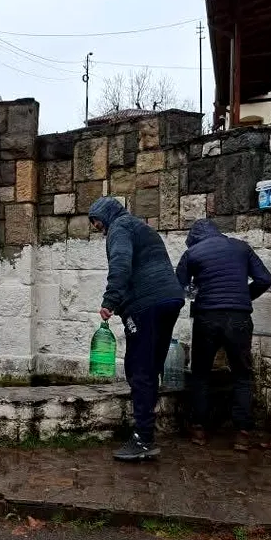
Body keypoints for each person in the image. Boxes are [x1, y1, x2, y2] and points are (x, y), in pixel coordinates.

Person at [88, 197, 184, 462]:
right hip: (170, 300)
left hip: (146, 305)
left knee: (139, 369)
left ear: (105, 216)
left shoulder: (119, 228)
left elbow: (121, 263)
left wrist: (110, 301)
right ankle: (146, 432)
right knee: (151, 367)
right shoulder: (143, 228)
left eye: (97, 223)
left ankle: (143, 438)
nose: (99, 229)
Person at [175, 219, 271, 451]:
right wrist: (243, 297)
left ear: (194, 239)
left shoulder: (192, 254)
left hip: (206, 317)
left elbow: (179, 286)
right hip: (239, 318)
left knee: (200, 373)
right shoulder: (241, 247)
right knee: (242, 374)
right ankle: (243, 433)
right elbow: (265, 279)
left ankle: (199, 429)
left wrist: (197, 293)